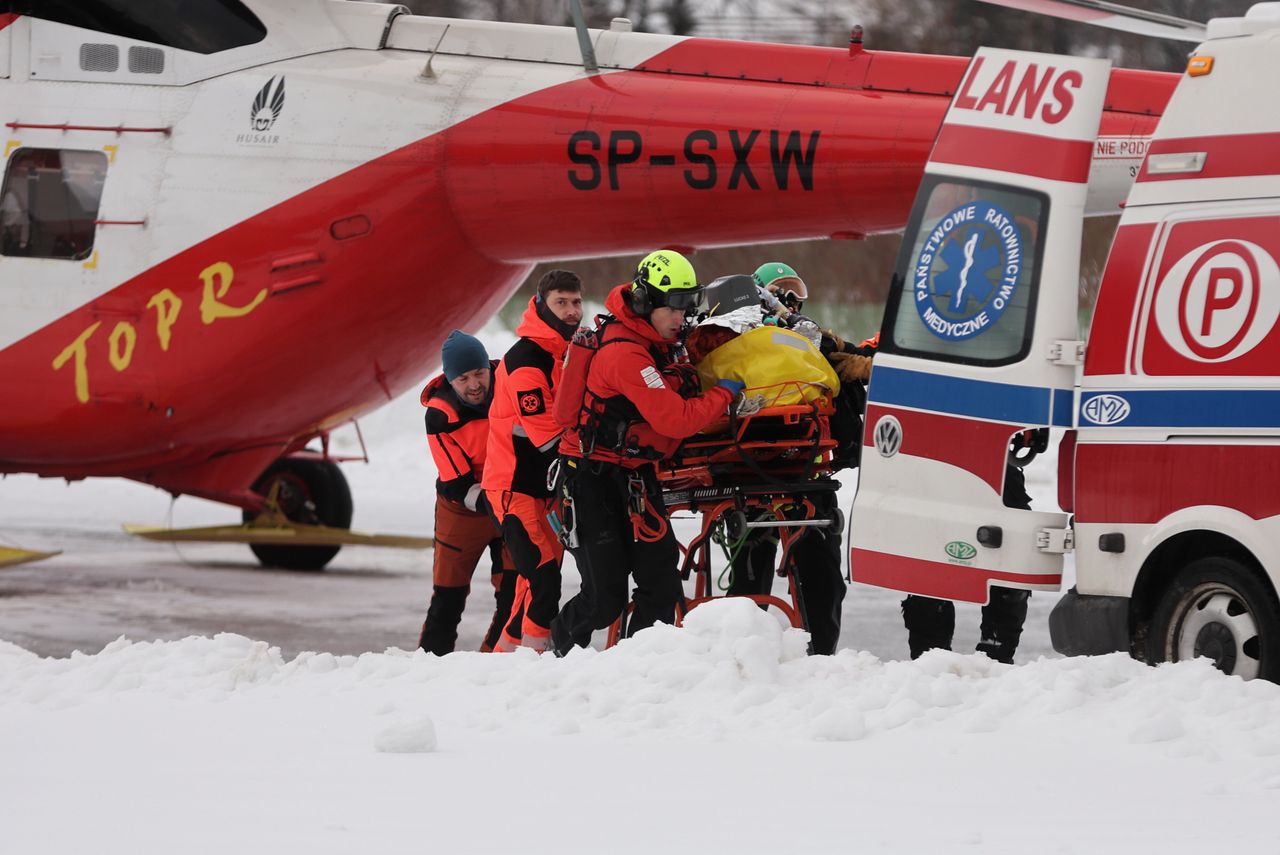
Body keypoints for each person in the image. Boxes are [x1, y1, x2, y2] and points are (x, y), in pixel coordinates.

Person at [551, 249, 740, 655]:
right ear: (644, 303)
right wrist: (727, 390)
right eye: (673, 308)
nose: (681, 318)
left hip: (636, 476)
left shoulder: (661, 342)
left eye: (687, 307)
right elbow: (678, 420)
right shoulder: (625, 353)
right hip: (591, 478)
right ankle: (558, 653)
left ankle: (632, 667)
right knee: (605, 598)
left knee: (662, 586)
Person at [720, 261, 876, 655]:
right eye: (782, 293)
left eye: (796, 295)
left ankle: (821, 652)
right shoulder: (733, 335)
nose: (791, 302)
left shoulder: (809, 339)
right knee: (751, 568)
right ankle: (745, 651)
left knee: (822, 573)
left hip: (803, 461)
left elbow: (851, 359)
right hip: (753, 463)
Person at [483, 269, 584, 651]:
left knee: (534, 583)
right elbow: (549, 437)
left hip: (543, 488)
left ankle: (507, 657)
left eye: (576, 302)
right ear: (542, 306)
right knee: (544, 580)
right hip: (513, 489)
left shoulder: (564, 353)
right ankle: (533, 658)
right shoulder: (528, 360)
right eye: (561, 302)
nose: (572, 311)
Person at [417, 330, 515, 655]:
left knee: (513, 591)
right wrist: (496, 498)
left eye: (479, 373)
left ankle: (496, 659)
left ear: (489, 367)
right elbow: (458, 481)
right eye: (463, 378)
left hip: (511, 499)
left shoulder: (512, 384)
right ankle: (430, 663)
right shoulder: (440, 414)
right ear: (449, 379)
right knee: (449, 595)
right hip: (462, 507)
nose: (474, 385)